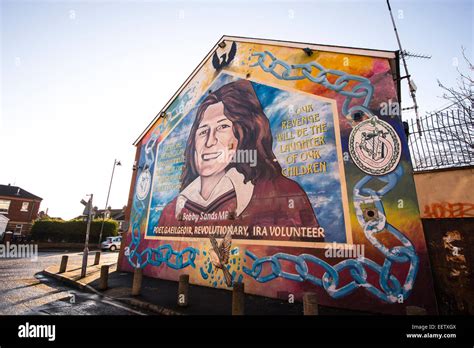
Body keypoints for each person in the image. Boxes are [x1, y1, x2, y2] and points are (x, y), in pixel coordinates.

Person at [157, 79, 319, 238]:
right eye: (203, 131)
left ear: (244, 134)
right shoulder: (173, 210)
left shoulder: (283, 193)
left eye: (223, 127)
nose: (209, 141)